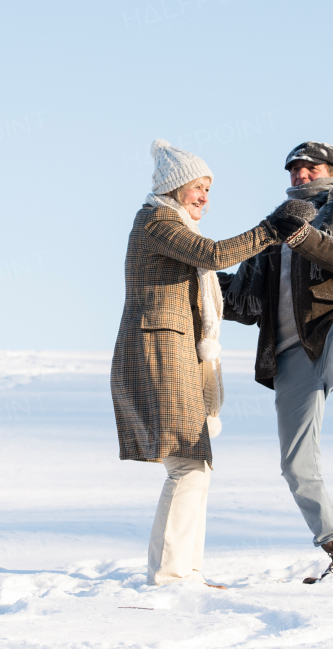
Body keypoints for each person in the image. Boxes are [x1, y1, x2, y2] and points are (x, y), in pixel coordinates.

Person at [110, 139, 303, 587]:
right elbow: (214, 256)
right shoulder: (156, 219)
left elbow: (211, 273)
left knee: (195, 465)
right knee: (189, 464)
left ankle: (182, 571)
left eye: (209, 190)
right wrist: (272, 228)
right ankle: (173, 575)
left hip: (175, 352)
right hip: (157, 352)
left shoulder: (171, 226)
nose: (205, 198)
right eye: (198, 187)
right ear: (174, 187)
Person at [219, 141, 333, 584]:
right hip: (290, 349)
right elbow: (245, 301)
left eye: (311, 168)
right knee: (296, 464)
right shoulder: (272, 227)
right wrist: (195, 283)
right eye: (294, 170)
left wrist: (302, 234)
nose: (301, 175)